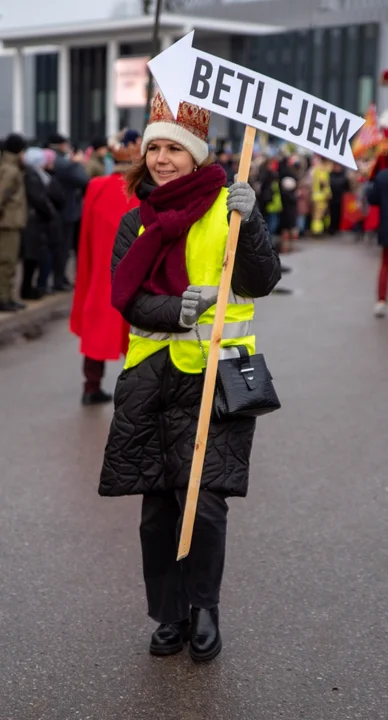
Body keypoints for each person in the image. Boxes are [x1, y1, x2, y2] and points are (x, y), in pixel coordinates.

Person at [99, 93, 281, 662]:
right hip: (150, 384)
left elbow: (263, 279)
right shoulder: (135, 221)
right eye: (153, 147)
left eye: (173, 147)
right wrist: (175, 308)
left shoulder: (228, 209)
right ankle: (169, 614)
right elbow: (125, 298)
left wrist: (248, 224)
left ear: (196, 156)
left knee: (202, 504)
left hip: (217, 381)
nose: (160, 158)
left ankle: (204, 608)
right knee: (157, 509)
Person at [70, 144, 139, 405]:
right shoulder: (142, 191)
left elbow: (85, 234)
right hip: (132, 275)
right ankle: (134, 397)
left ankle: (91, 386)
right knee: (137, 337)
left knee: (97, 329)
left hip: (100, 273)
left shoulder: (96, 187)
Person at [47, 133, 89, 289]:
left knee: (61, 249)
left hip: (58, 209)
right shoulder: (64, 163)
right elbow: (83, 180)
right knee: (62, 249)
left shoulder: (55, 161)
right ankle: (59, 280)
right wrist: (78, 163)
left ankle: (60, 278)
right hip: (66, 210)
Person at [20, 148, 60, 300]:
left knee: (33, 257)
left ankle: (29, 288)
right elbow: (39, 199)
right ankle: (27, 290)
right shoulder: (33, 177)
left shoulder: (34, 175)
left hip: (34, 221)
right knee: (32, 257)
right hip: (33, 223)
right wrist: (51, 213)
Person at [0, 133, 27, 312]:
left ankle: (8, 296)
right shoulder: (11, 170)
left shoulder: (10, 166)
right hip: (8, 223)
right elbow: (2, 195)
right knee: (7, 262)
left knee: (8, 262)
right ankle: (4, 298)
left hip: (9, 221)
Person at [367, 148, 388, 317]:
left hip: (386, 227)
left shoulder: (382, 176)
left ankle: (381, 300)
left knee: (385, 265)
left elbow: (372, 198)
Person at [329, 163, 350, 235]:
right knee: (331, 214)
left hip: (340, 199)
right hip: (331, 198)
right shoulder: (330, 175)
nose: (337, 168)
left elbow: (347, 188)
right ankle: (331, 228)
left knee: (339, 214)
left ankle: (337, 228)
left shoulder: (344, 177)